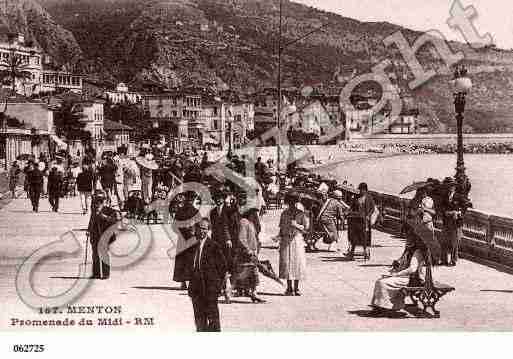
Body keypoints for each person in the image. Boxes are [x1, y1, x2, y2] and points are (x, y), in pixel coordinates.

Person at [370, 234, 428, 314]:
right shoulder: (408, 250)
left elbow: (412, 269)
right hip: (404, 276)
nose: (407, 240)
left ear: (415, 240)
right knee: (379, 280)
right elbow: (402, 261)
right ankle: (379, 306)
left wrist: (397, 274)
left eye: (409, 239)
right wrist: (397, 263)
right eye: (407, 239)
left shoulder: (417, 252)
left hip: (412, 279)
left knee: (383, 283)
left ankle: (388, 306)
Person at [188, 218, 228, 332]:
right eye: (199, 228)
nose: (201, 231)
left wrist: (218, 286)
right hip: (196, 289)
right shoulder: (193, 245)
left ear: (208, 230)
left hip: (210, 289)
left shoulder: (214, 246)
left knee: (213, 321)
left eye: (204, 229)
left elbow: (223, 267)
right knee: (199, 321)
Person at [232, 207, 264, 303]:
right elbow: (241, 238)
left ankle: (253, 292)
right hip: (245, 254)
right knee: (242, 273)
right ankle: (230, 290)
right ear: (249, 213)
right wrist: (248, 250)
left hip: (252, 253)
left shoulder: (250, 223)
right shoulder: (243, 222)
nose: (255, 216)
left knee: (253, 272)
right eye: (254, 214)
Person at [279, 197, 309, 296]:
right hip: (286, 239)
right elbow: (281, 227)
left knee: (297, 262)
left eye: (293, 202)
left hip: (297, 239)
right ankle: (289, 287)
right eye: (290, 203)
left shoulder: (301, 214)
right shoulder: (284, 213)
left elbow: (306, 229)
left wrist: (296, 225)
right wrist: (279, 236)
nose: (291, 204)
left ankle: (296, 288)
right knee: (287, 263)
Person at [209, 187, 235, 303]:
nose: (218, 201)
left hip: (227, 241)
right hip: (217, 240)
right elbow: (213, 227)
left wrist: (229, 239)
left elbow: (231, 226)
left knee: (228, 263)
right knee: (218, 263)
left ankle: (228, 289)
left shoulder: (229, 210)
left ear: (223, 199)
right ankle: (221, 288)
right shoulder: (213, 212)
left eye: (220, 199)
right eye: (216, 199)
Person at [88, 195, 120, 279]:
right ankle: (96, 273)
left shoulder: (109, 210)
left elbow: (114, 221)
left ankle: (105, 274)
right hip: (95, 235)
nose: (96, 205)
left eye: (98, 204)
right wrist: (89, 230)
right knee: (95, 254)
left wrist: (103, 216)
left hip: (105, 235)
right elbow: (91, 221)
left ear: (102, 203)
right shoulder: (94, 211)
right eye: (95, 204)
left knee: (104, 254)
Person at [172, 193, 199, 290]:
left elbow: (174, 227)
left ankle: (184, 281)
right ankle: (186, 282)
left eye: (191, 199)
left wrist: (182, 231)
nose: (190, 201)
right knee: (188, 260)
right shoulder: (195, 211)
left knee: (184, 260)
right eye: (190, 199)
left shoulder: (182, 211)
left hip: (184, 239)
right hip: (190, 239)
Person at [347, 182, 376, 260]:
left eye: (363, 190)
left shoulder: (369, 197)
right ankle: (352, 252)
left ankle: (365, 251)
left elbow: (372, 208)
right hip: (356, 219)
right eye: (360, 189)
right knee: (354, 236)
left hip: (365, 220)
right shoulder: (356, 197)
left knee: (364, 236)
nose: (361, 191)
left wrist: (368, 215)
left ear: (366, 190)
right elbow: (351, 207)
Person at [440, 177, 463, 266]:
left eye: (452, 186)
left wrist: (459, 213)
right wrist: (446, 212)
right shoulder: (444, 196)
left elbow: (464, 207)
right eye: (449, 186)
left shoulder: (459, 196)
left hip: (455, 222)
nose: (450, 187)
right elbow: (441, 208)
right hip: (446, 221)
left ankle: (453, 260)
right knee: (444, 241)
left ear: (454, 187)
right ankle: (443, 260)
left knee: (454, 242)